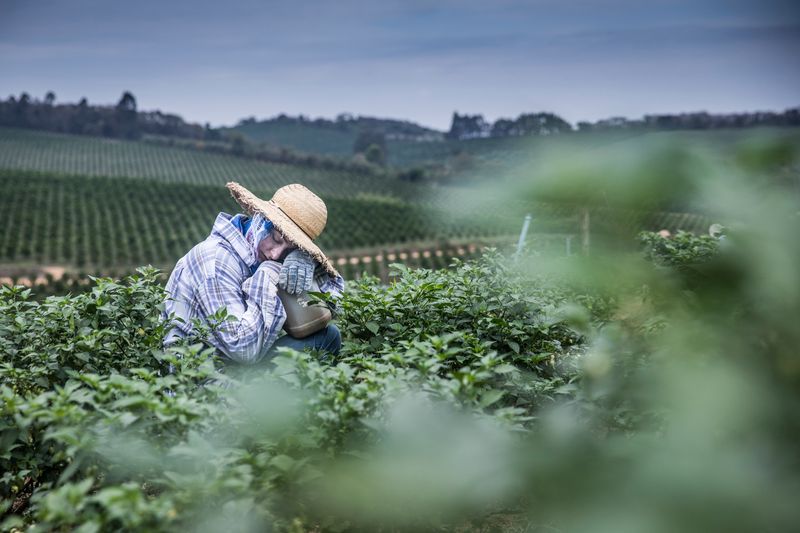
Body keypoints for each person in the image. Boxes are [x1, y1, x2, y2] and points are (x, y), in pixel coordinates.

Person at [162, 182, 344, 364]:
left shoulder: (265, 255)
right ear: (260, 219)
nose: (275, 254)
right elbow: (243, 350)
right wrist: (268, 274)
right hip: (203, 378)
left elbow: (335, 303)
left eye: (289, 250)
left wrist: (308, 260)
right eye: (275, 238)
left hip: (232, 363)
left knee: (329, 336)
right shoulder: (216, 261)